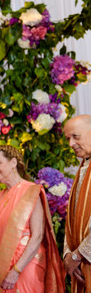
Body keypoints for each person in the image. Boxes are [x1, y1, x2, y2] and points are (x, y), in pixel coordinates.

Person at [0, 145, 65, 293]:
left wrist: (16, 271)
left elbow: (37, 236)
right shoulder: (1, 196)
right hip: (2, 265)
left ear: (13, 163)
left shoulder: (31, 190)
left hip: (26, 266)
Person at [64, 115, 91, 292]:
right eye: (68, 139)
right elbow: (71, 219)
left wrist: (76, 256)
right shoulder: (83, 167)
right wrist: (68, 254)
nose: (71, 144)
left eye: (76, 137)